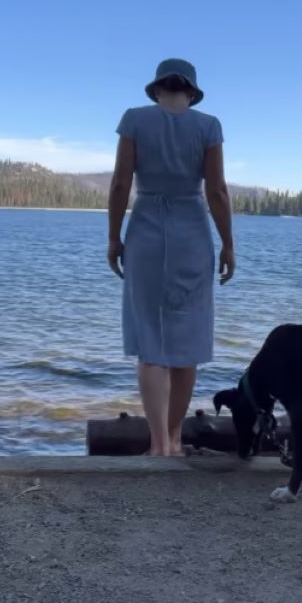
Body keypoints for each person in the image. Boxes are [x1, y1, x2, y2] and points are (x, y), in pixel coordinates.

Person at [107, 58, 235, 456]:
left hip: (146, 231)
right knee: (187, 343)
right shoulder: (208, 126)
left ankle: (158, 444)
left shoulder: (134, 120)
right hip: (192, 234)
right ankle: (176, 440)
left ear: (156, 89)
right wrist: (228, 243)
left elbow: (119, 183)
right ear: (192, 93)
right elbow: (216, 190)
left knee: (151, 341)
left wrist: (114, 238)